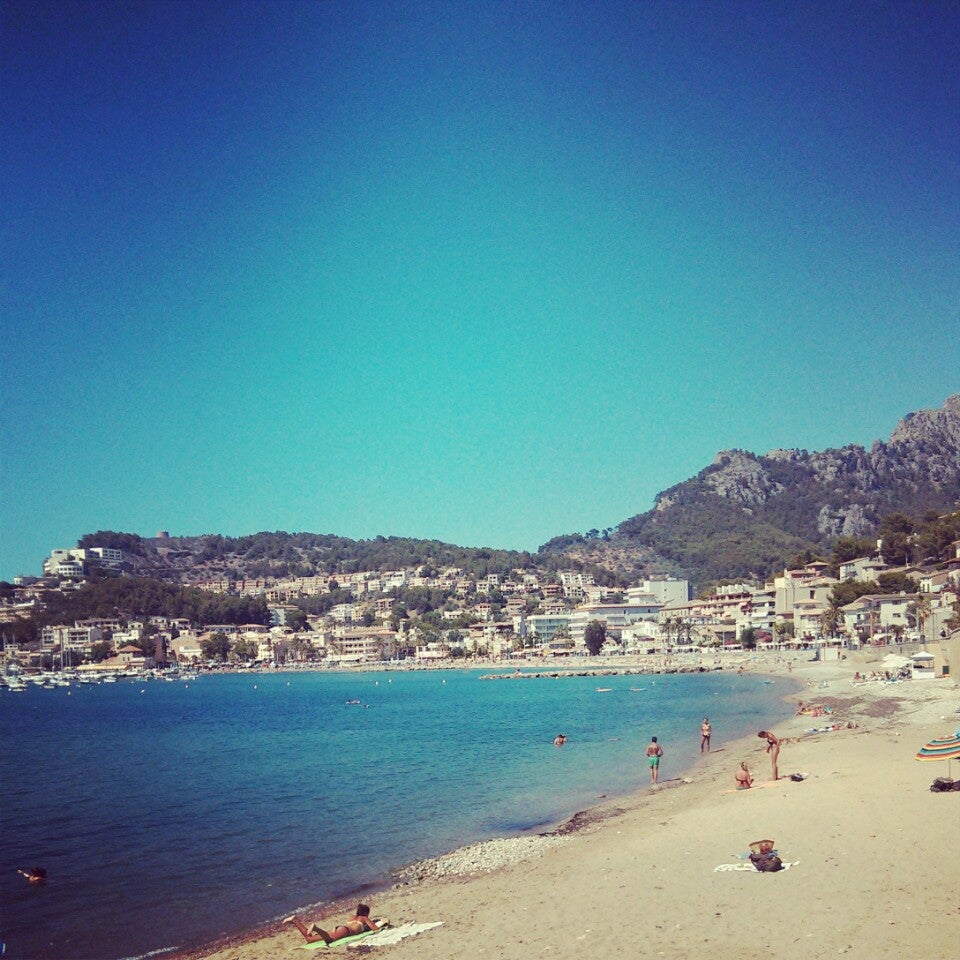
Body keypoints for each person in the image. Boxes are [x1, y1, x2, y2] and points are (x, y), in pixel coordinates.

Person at [283, 903, 379, 945]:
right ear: (366, 913)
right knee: (330, 940)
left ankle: (294, 920)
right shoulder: (364, 918)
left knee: (310, 939)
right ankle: (316, 928)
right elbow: (375, 929)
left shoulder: (351, 916)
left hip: (339, 928)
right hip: (346, 931)